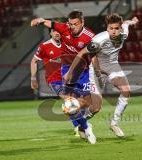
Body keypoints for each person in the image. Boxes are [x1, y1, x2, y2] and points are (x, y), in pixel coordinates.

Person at [31, 10, 101, 144]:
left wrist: (97, 71)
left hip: (84, 71)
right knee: (69, 103)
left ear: (82, 22)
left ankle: (82, 122)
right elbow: (50, 23)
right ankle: (86, 129)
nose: (72, 27)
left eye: (75, 24)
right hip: (67, 69)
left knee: (86, 103)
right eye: (70, 24)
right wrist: (40, 20)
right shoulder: (64, 28)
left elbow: (93, 55)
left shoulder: (90, 36)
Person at [64, 13, 139, 138]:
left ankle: (114, 123)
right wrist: (70, 72)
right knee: (95, 108)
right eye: (111, 28)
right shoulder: (99, 40)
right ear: (107, 28)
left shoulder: (124, 33)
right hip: (97, 70)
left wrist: (133, 21)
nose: (114, 31)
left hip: (113, 66)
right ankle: (83, 124)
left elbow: (126, 23)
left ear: (120, 29)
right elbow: (82, 53)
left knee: (126, 90)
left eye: (116, 28)